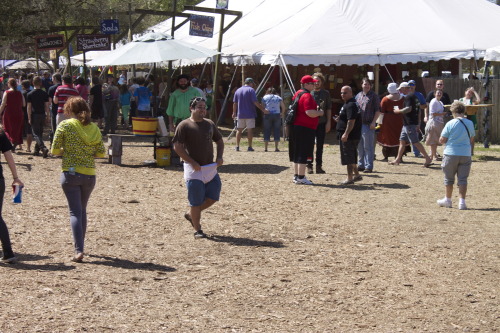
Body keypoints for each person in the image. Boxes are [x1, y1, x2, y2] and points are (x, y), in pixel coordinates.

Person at [51, 96, 105, 262]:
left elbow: (54, 150)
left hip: (70, 173)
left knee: (75, 211)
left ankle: (78, 249)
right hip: (89, 174)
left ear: (69, 110)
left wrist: (66, 151)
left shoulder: (65, 125)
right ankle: (81, 245)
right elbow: (101, 152)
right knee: (82, 210)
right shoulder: (94, 128)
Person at [173, 97, 224, 239]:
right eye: (199, 107)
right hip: (193, 169)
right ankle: (198, 230)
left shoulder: (210, 124)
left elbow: (219, 141)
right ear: (192, 108)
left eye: (204, 107)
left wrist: (219, 157)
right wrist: (191, 161)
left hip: (210, 168)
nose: (203, 110)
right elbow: (177, 147)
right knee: (195, 201)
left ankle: (191, 214)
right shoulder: (184, 125)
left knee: (213, 197)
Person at [437, 101, 474, 210]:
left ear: (453, 111)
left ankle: (448, 199)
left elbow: (442, 139)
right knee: (463, 179)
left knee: (449, 179)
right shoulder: (470, 123)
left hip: (451, 153)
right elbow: (472, 139)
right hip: (465, 154)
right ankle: (462, 202)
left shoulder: (450, 123)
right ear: (463, 111)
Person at [289, 75, 323, 185]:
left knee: (297, 151)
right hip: (305, 127)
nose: (314, 85)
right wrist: (320, 112)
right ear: (306, 84)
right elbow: (309, 113)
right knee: (303, 152)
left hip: (296, 126)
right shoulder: (307, 95)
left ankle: (297, 176)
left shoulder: (297, 93)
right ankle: (301, 177)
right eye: (312, 83)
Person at [389, 82, 432, 167]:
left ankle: (427, 158)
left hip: (409, 124)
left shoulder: (409, 97)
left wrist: (399, 111)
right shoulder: (414, 96)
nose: (399, 91)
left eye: (400, 89)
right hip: (407, 124)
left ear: (405, 88)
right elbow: (418, 109)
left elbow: (409, 109)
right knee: (402, 141)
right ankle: (397, 159)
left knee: (415, 142)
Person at [0, 125, 24, 263]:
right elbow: (8, 156)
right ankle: (8, 252)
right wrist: (15, 177)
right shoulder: (1, 133)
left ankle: (8, 252)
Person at [335, 86, 362, 185]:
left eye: (345, 93)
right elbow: (348, 119)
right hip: (351, 135)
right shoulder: (349, 104)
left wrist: (346, 134)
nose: (343, 95)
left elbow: (351, 121)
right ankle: (357, 175)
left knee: (349, 157)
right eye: (341, 93)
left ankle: (349, 178)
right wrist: (340, 119)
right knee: (352, 156)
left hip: (350, 136)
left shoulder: (351, 104)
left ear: (351, 93)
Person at [232, 78, 267, 151]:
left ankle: (237, 146)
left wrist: (234, 112)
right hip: (250, 113)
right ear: (250, 83)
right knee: (250, 130)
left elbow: (235, 103)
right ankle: (249, 146)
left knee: (239, 130)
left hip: (240, 113)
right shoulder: (251, 90)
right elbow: (255, 102)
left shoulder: (238, 90)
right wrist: (263, 109)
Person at [307, 72, 332, 174]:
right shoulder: (308, 93)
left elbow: (329, 108)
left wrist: (329, 122)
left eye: (318, 81)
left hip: (321, 122)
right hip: (310, 123)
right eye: (315, 81)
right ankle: (309, 165)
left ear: (321, 82)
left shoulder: (326, 93)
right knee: (309, 144)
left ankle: (319, 166)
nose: (316, 83)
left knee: (320, 145)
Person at [355, 78, 380, 173]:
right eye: (365, 84)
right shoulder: (358, 96)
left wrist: (374, 122)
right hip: (359, 124)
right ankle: (361, 164)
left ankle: (368, 166)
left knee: (368, 146)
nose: (367, 86)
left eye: (368, 84)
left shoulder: (374, 96)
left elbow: (378, 110)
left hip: (368, 124)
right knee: (359, 146)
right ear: (361, 85)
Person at [377, 83, 406, 160]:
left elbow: (381, 112)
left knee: (387, 137)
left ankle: (386, 156)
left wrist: (379, 123)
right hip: (399, 119)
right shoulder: (402, 98)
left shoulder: (385, 99)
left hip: (388, 120)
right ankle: (399, 156)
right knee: (398, 137)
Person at [27, 76, 50, 158]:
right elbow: (47, 106)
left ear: (33, 83)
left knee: (36, 133)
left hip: (34, 114)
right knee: (40, 132)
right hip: (42, 114)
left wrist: (29, 117)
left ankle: (43, 148)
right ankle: (36, 150)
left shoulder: (30, 94)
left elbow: (29, 107)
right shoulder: (44, 93)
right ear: (41, 83)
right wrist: (48, 116)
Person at [0, 78, 25, 151]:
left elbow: (3, 104)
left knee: (7, 128)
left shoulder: (7, 92)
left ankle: (11, 143)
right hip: (19, 112)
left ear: (9, 84)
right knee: (17, 129)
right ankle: (15, 141)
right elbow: (24, 104)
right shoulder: (20, 93)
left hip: (9, 113)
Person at [261, 87, 286, 152]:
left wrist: (264, 111)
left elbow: (262, 106)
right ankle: (276, 147)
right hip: (277, 114)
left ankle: (266, 148)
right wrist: (282, 113)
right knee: (276, 130)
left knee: (267, 130)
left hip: (267, 114)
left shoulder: (265, 97)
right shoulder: (278, 97)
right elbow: (283, 107)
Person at [425, 89, 446, 161]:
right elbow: (433, 113)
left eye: (440, 93)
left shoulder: (440, 102)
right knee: (433, 140)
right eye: (438, 93)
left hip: (439, 122)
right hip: (434, 122)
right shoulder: (433, 101)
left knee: (436, 139)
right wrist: (442, 114)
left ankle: (432, 154)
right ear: (434, 94)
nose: (439, 94)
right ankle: (434, 156)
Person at [408, 79, 427, 158]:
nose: (411, 87)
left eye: (412, 85)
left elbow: (425, 105)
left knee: (415, 134)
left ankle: (416, 152)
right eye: (409, 85)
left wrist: (417, 105)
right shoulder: (405, 94)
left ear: (415, 86)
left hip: (416, 116)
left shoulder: (419, 95)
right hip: (406, 117)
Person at [48, 74, 62, 144]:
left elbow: (50, 101)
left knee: (55, 129)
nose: (52, 80)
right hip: (64, 110)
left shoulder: (52, 88)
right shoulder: (63, 87)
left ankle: (55, 145)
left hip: (55, 110)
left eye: (52, 78)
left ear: (55, 79)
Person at [21, 80, 33, 152]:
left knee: (24, 129)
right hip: (32, 113)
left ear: (23, 86)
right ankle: (28, 147)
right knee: (29, 130)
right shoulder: (32, 93)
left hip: (24, 112)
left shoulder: (23, 94)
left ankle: (26, 147)